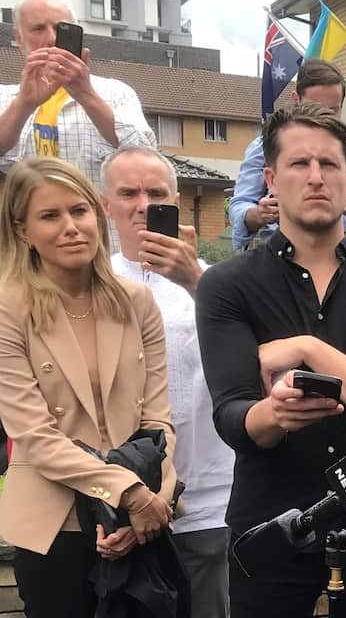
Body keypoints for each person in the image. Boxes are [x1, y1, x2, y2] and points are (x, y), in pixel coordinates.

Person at [195, 102, 346, 618]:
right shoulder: (227, 287)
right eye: (300, 164)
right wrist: (274, 415)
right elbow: (232, 414)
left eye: (328, 165)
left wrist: (308, 349)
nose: (316, 177)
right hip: (270, 526)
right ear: (271, 178)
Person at [0, 156, 175, 618]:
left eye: (79, 211)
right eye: (50, 216)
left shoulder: (138, 302)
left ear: (97, 216)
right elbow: (34, 436)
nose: (70, 227)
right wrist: (127, 492)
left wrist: (151, 503)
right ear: (23, 231)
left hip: (138, 522)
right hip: (54, 528)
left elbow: (158, 421)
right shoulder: (7, 308)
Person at [101, 146, 234, 618]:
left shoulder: (217, 283)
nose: (142, 204)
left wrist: (194, 278)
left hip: (204, 503)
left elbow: (257, 355)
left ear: (175, 202)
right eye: (129, 193)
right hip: (117, 506)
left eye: (156, 194)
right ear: (105, 205)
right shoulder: (87, 283)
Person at [0, 0, 154, 188]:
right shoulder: (5, 99)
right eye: (38, 29)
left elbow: (147, 158)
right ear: (19, 38)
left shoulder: (116, 93)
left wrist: (85, 94)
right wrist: (24, 104)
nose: (51, 39)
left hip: (98, 218)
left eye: (60, 29)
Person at [228, 59, 346, 250]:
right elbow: (240, 205)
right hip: (274, 260)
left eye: (333, 110)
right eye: (299, 163)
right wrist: (258, 214)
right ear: (296, 99)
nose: (324, 117)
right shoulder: (264, 147)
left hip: (337, 261)